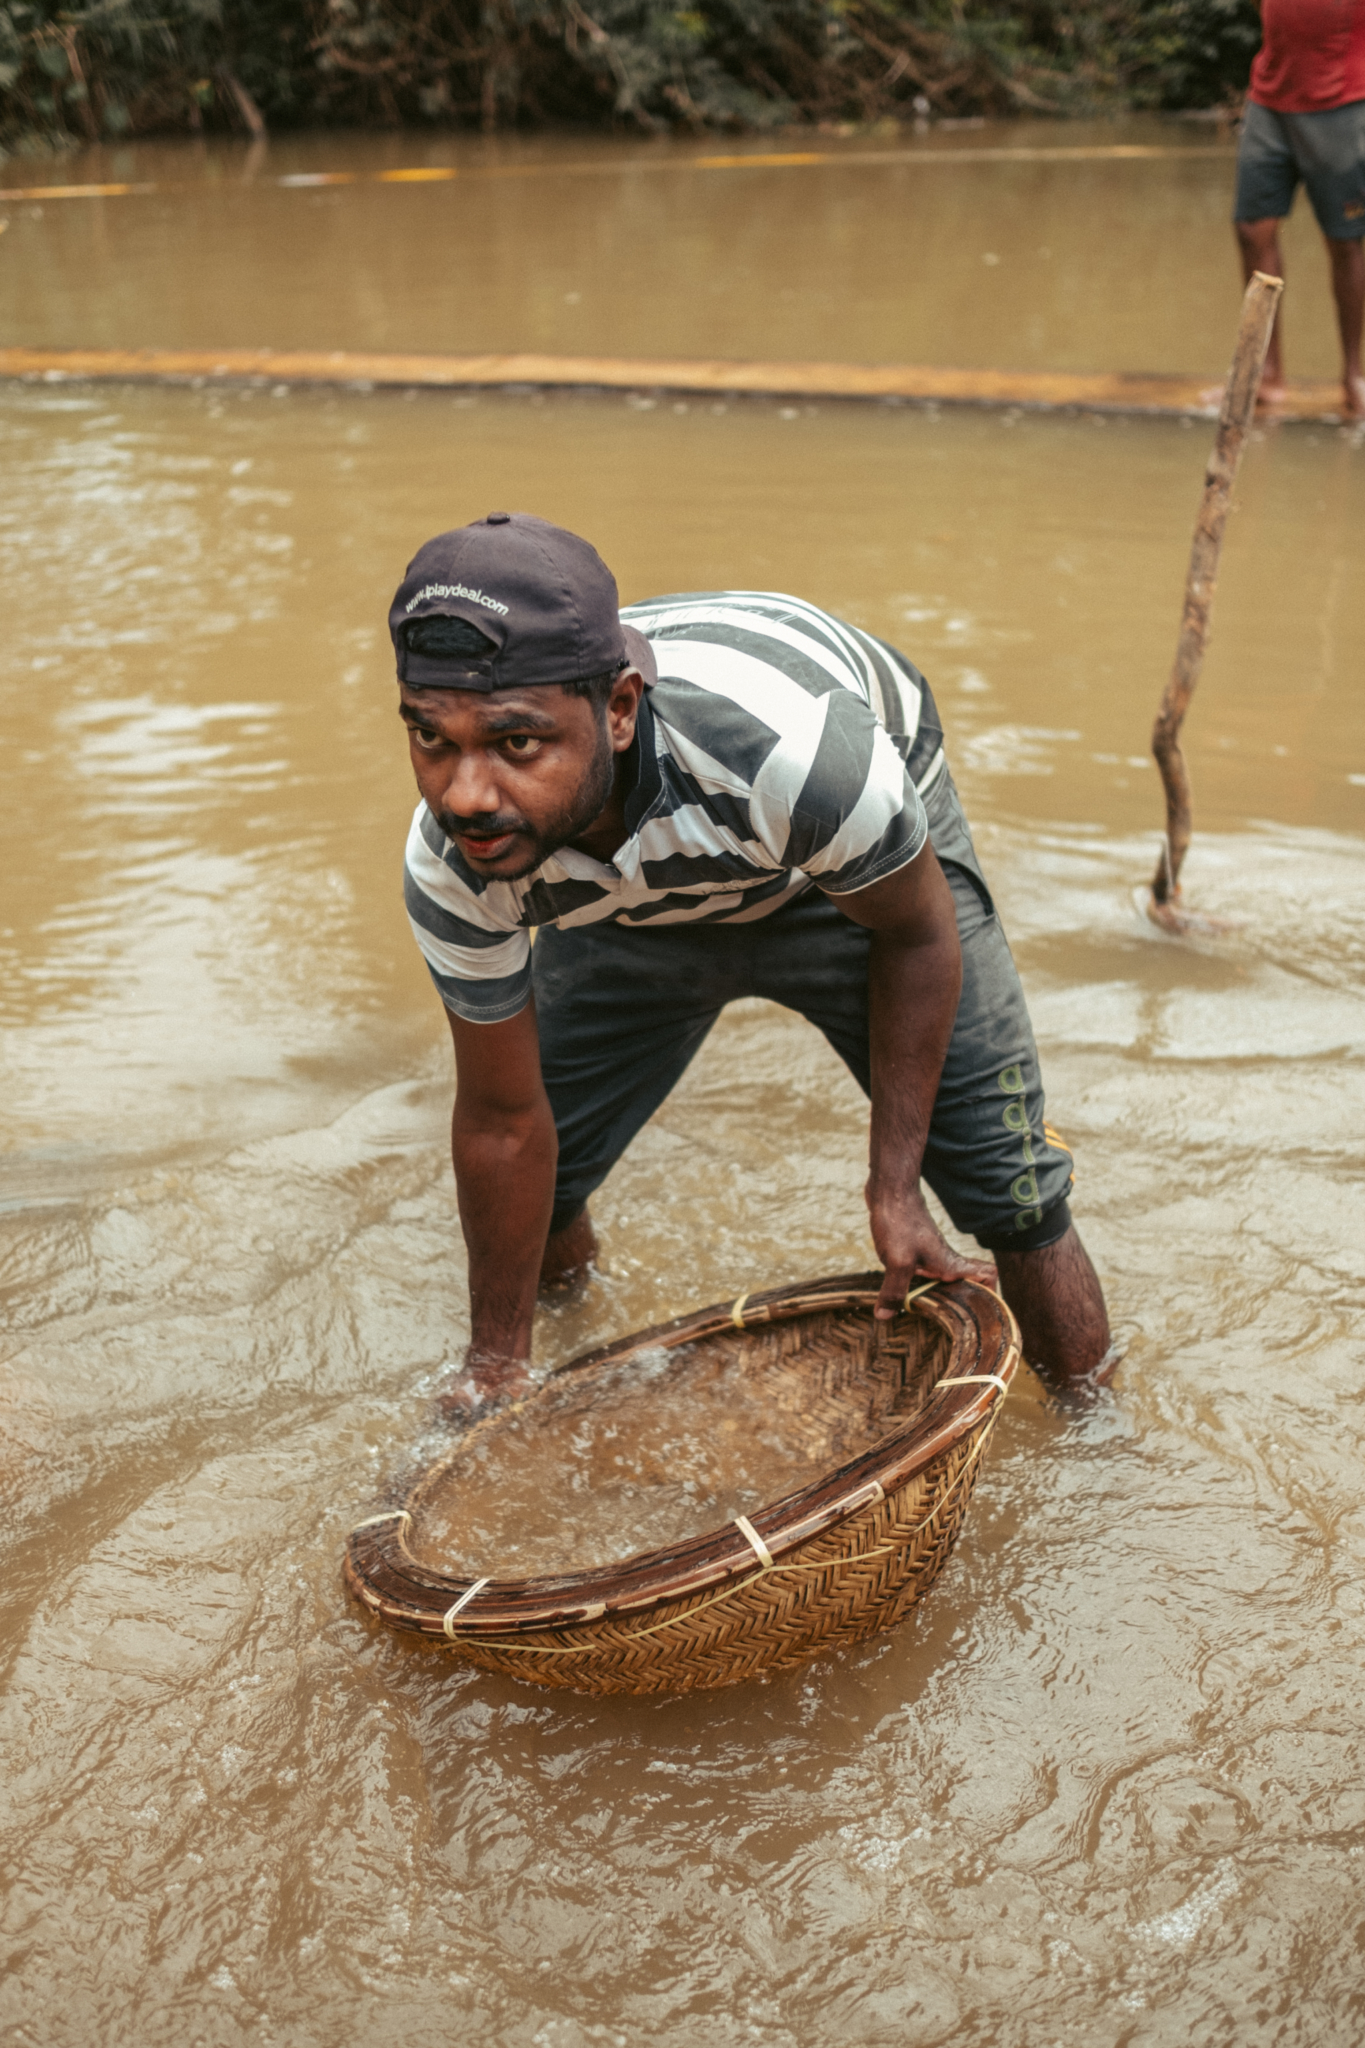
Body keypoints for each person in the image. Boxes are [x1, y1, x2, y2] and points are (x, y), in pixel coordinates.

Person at [391, 513, 1113, 1412]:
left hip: (840, 885)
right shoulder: (462, 860)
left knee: (1011, 1189)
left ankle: (1099, 1438)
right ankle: (563, 1342)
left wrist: (894, 1189)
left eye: (516, 743)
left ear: (617, 710)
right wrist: (494, 1367)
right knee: (540, 1187)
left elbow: (916, 939)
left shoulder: (802, 760)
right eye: (431, 737)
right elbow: (502, 1123)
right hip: (616, 893)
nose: (465, 794)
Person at [1233, 0, 1365, 416]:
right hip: (1270, 96)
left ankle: (1353, 374)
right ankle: (1266, 374)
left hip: (1342, 99)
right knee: (1252, 229)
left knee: (1345, 242)